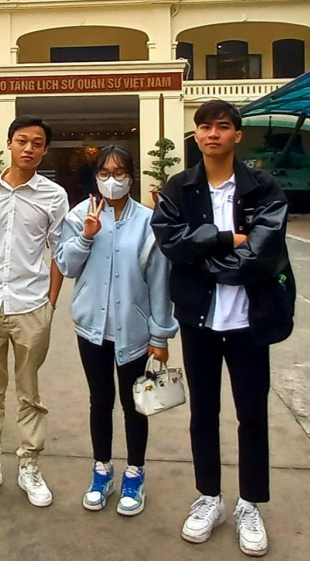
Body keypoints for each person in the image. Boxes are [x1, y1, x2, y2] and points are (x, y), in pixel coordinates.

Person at [152, 99, 295, 558]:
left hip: (250, 321)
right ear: (195, 135)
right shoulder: (179, 187)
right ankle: (209, 497)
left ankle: (249, 503)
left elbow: (265, 251)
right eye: (204, 127)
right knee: (203, 413)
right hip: (200, 320)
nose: (212, 134)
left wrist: (205, 261)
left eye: (222, 126)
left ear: (237, 135)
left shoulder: (263, 187)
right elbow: (171, 242)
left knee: (251, 414)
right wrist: (223, 239)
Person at [55, 145, 176, 517]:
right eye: (104, 173)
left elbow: (159, 281)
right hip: (92, 327)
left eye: (119, 172)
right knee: (100, 400)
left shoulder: (148, 221)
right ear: (95, 177)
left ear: (131, 176)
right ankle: (102, 470)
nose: (112, 180)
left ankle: (135, 473)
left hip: (134, 329)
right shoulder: (80, 215)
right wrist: (86, 236)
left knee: (135, 403)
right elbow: (66, 265)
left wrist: (160, 335)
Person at [0, 117, 69, 507]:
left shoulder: (53, 195)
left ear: (45, 150)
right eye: (22, 140)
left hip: (31, 304)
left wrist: (51, 301)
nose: (29, 148)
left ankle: (29, 465)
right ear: (9, 143)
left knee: (29, 392)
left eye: (37, 143)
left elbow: (60, 250)